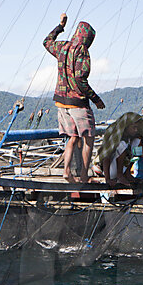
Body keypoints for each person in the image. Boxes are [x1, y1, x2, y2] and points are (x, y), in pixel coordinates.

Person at [44, 13, 106, 183]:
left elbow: (46, 42)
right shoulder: (82, 51)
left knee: (72, 137)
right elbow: (80, 78)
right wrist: (95, 99)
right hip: (78, 103)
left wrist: (60, 26)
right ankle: (85, 176)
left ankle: (67, 172)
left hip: (61, 102)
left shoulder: (62, 47)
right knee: (88, 138)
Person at [95, 112, 143, 186]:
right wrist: (107, 179)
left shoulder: (130, 139)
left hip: (122, 169)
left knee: (138, 142)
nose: (136, 130)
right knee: (122, 145)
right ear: (126, 127)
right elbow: (106, 157)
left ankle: (127, 174)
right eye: (133, 127)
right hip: (109, 171)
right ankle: (120, 176)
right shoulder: (115, 137)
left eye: (137, 128)